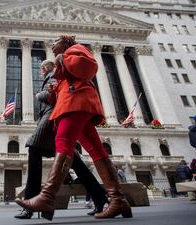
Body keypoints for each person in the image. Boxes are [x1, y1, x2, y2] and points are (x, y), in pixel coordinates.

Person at [15, 35, 132, 221]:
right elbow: (63, 85)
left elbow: (89, 66)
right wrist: (53, 91)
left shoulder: (73, 50)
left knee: (63, 144)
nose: (52, 45)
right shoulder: (61, 62)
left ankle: (46, 197)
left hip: (76, 102)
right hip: (74, 103)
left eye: (56, 42)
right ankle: (117, 199)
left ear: (66, 43)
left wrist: (64, 60)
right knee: (97, 151)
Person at [14, 60, 107, 219]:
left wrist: (39, 95)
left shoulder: (53, 76)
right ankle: (99, 196)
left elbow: (53, 94)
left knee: (34, 149)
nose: (41, 71)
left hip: (52, 117)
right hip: (53, 117)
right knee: (73, 160)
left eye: (42, 68)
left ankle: (31, 204)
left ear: (46, 68)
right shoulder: (51, 76)